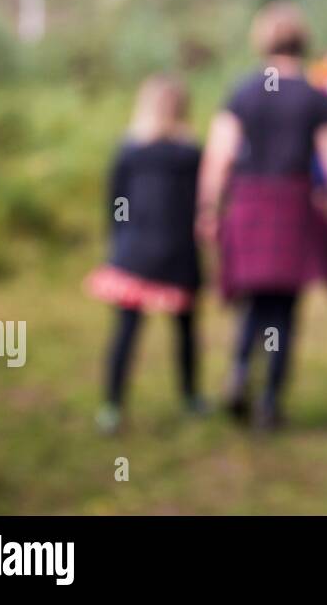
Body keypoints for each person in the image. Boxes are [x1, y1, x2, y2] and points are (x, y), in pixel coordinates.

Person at [197, 1, 327, 430]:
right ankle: (269, 403)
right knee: (285, 307)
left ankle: (238, 373)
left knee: (253, 300)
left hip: (248, 205)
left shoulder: (243, 91)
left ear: (263, 41)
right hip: (292, 206)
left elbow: (219, 157)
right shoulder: (312, 97)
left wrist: (209, 210)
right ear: (302, 42)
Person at [85, 74, 204, 435]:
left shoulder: (132, 149)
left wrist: (120, 239)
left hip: (138, 250)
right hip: (174, 251)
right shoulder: (189, 152)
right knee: (181, 330)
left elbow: (116, 202)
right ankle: (188, 398)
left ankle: (113, 406)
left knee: (128, 331)